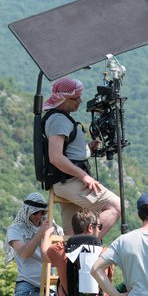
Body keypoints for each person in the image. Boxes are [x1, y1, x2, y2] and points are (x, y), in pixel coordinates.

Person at [43, 77, 120, 238]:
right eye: (75, 98)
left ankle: (74, 259)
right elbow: (55, 157)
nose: (80, 101)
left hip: (66, 180)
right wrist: (84, 176)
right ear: (62, 98)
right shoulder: (58, 120)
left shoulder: (60, 117)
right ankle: (87, 245)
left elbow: (67, 152)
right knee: (115, 206)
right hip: (70, 181)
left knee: (72, 231)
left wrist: (87, 150)